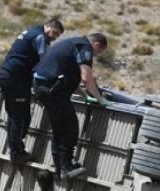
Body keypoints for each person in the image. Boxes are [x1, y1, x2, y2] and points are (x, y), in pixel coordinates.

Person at [32, 33, 111, 181]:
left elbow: (68, 75)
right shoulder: (84, 47)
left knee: (59, 129)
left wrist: (85, 96)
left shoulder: (71, 43)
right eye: (98, 52)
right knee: (70, 128)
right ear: (96, 45)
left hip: (43, 87)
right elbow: (86, 78)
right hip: (53, 91)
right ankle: (66, 167)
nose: (95, 55)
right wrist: (100, 99)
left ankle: (60, 168)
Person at [0, 19, 64, 164]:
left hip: (6, 75)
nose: (54, 37)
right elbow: (45, 61)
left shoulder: (31, 31)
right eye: (55, 33)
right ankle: (16, 153)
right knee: (21, 117)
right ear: (49, 27)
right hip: (16, 78)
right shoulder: (39, 36)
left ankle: (16, 149)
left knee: (15, 114)